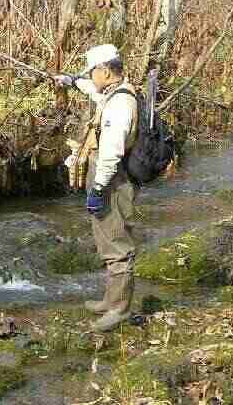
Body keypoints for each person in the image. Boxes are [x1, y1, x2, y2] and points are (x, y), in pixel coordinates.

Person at [55, 44, 138, 332]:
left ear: (105, 70)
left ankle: (119, 309)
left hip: (112, 180)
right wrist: (72, 81)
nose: (90, 76)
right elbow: (93, 91)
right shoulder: (113, 94)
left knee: (117, 244)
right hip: (108, 178)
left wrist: (99, 188)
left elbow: (112, 152)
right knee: (106, 238)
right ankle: (110, 300)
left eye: (92, 71)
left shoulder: (119, 103)